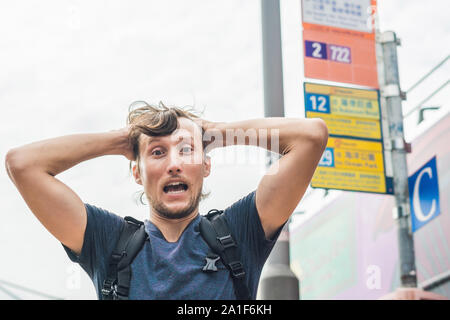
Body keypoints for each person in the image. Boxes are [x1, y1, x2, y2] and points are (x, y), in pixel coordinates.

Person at [5, 101, 328, 299]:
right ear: (137, 173)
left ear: (206, 165)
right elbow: (23, 164)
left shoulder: (241, 231)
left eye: (186, 149)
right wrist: (126, 138)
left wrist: (215, 132)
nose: (174, 163)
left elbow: (310, 136)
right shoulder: (106, 241)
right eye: (157, 153)